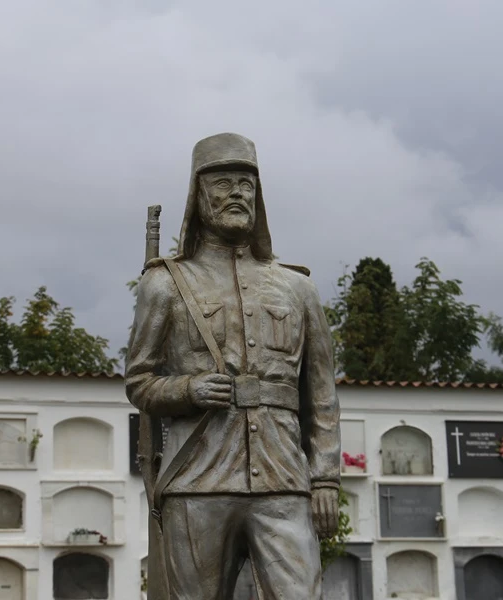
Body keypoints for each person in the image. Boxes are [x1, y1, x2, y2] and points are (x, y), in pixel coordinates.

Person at [125, 132, 341, 599]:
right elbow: (140, 383)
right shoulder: (163, 285)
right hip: (199, 476)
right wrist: (188, 390)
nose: (237, 193)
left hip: (283, 477)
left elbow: (321, 394)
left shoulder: (297, 289)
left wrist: (324, 478)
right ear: (198, 196)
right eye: (223, 183)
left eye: (246, 184)